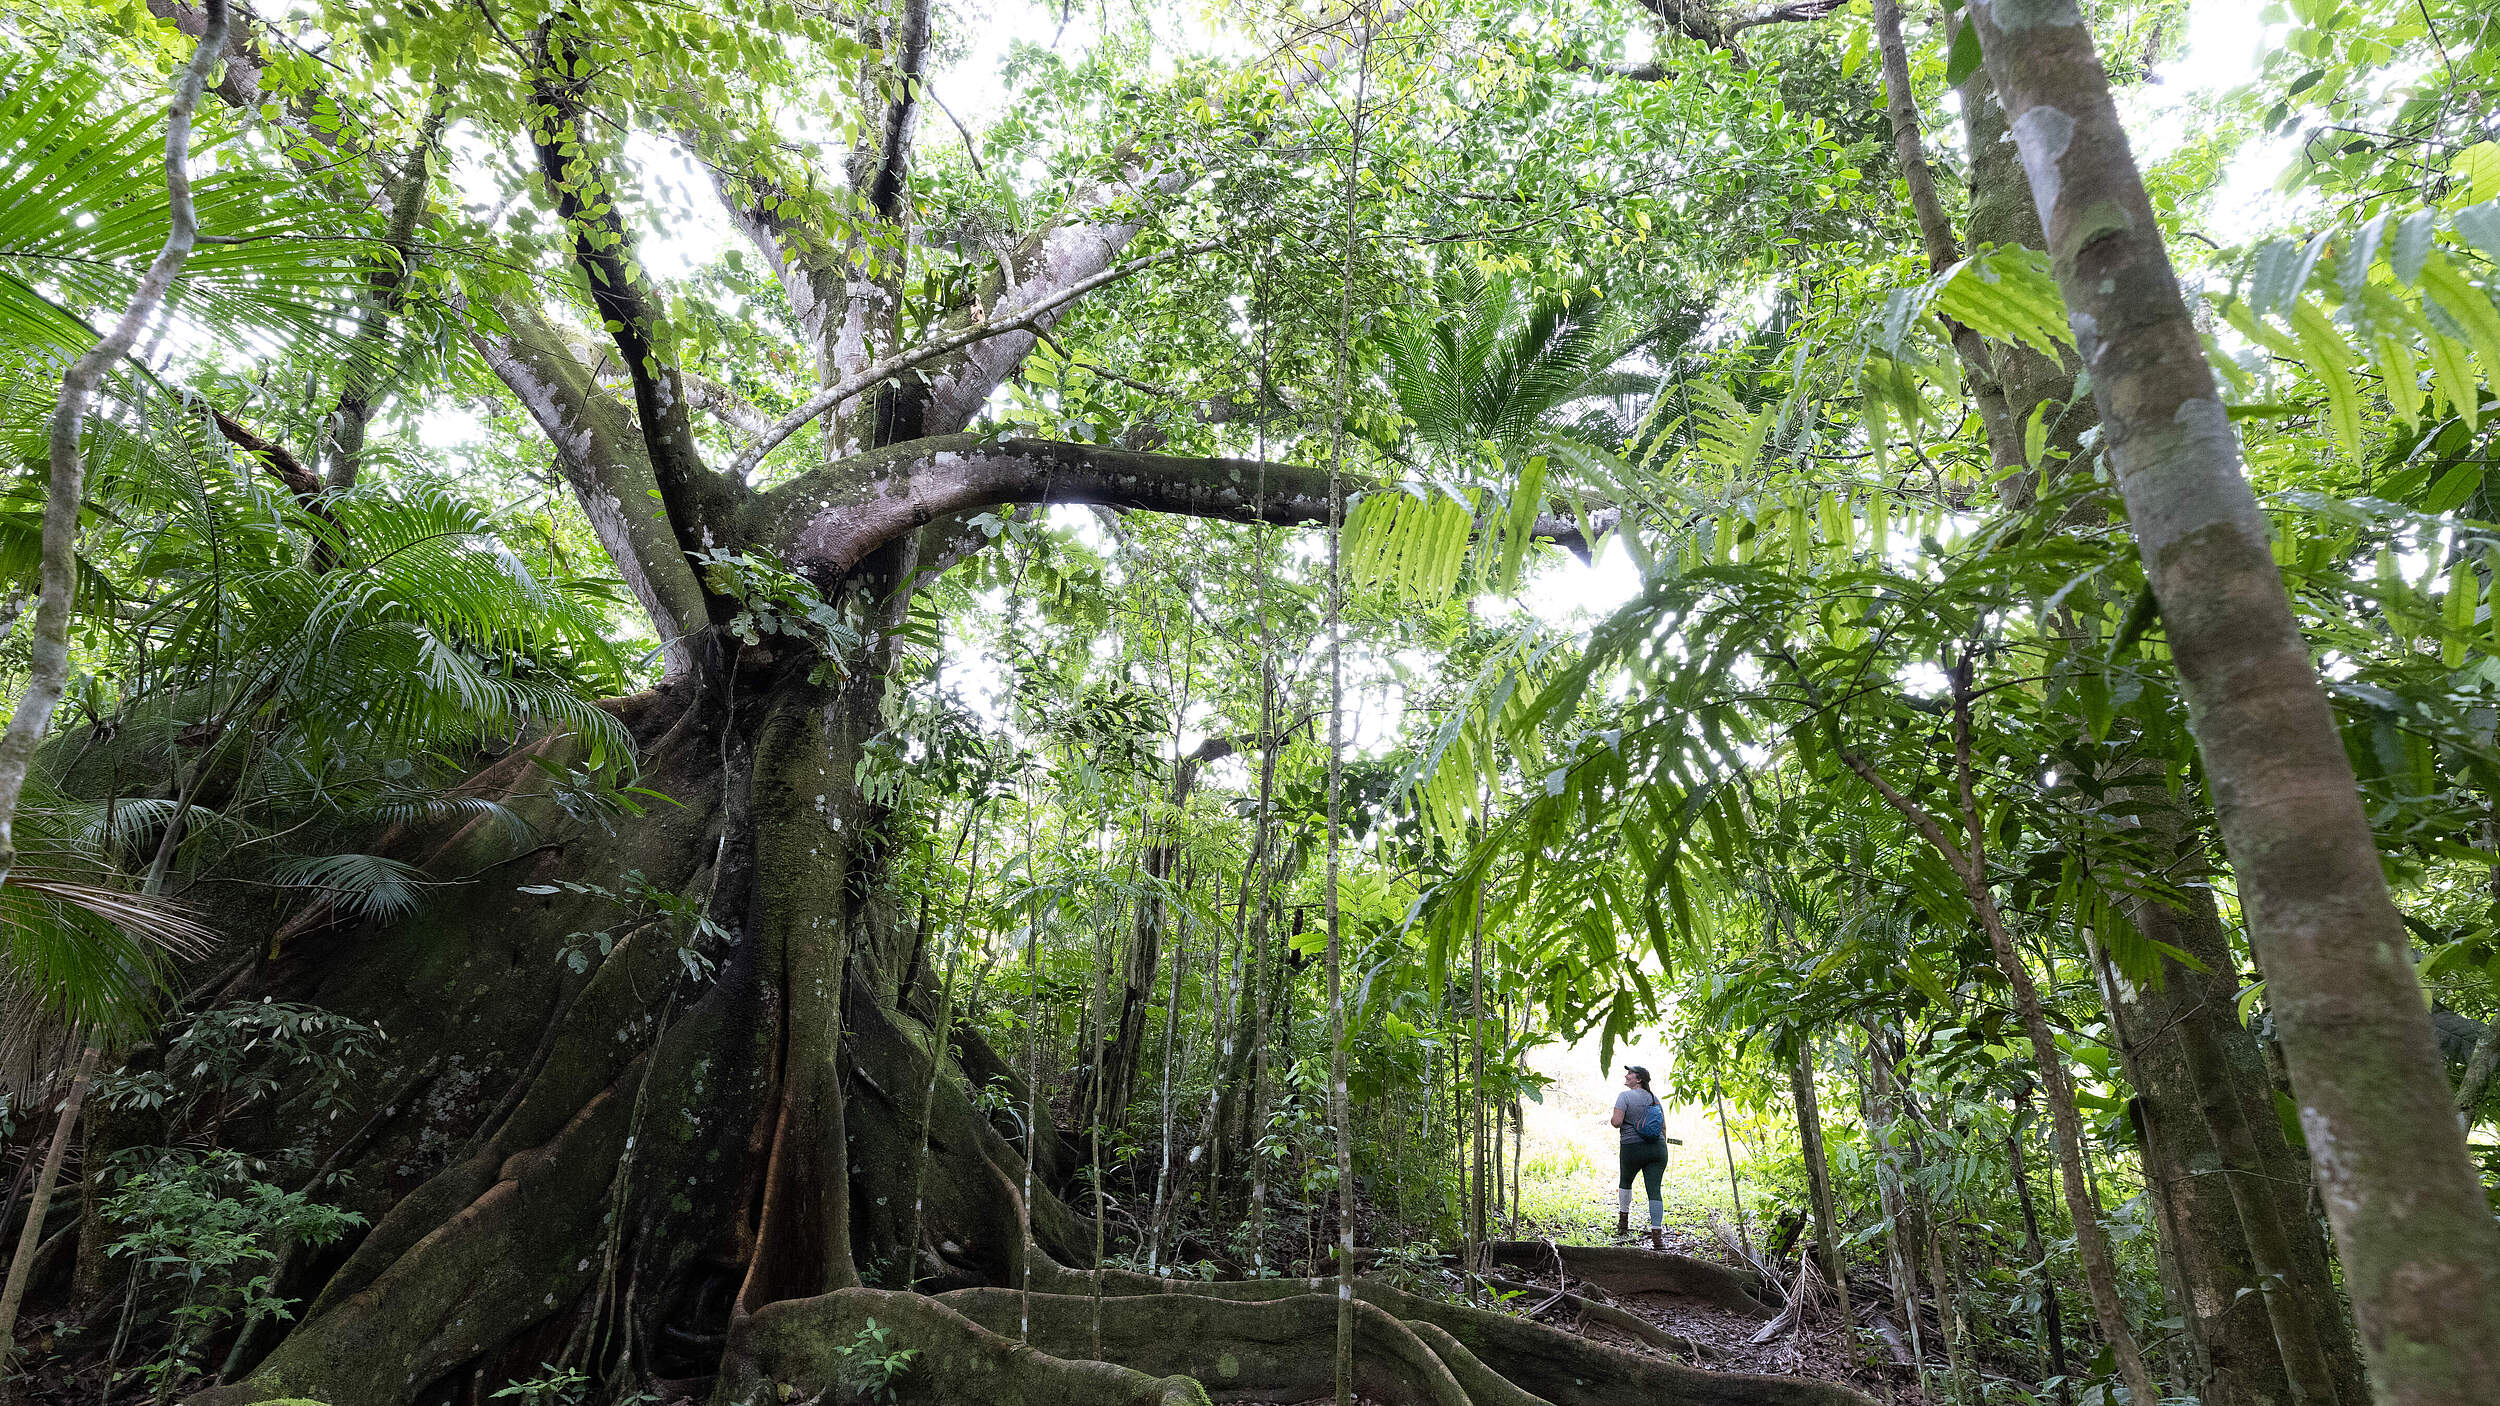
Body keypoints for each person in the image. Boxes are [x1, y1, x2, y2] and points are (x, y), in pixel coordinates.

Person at [1610, 1065, 1667, 1249]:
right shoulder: (1654, 1098)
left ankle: (1623, 1223)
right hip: (1657, 1149)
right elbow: (1663, 1127)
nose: (1626, 1075)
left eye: (1629, 1073)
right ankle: (1657, 1236)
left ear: (1639, 1079)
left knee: (1625, 1182)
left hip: (1632, 1148)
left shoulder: (1624, 1096)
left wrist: (1614, 1119)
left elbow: (1617, 1122)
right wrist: (1660, 1146)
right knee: (1655, 1190)